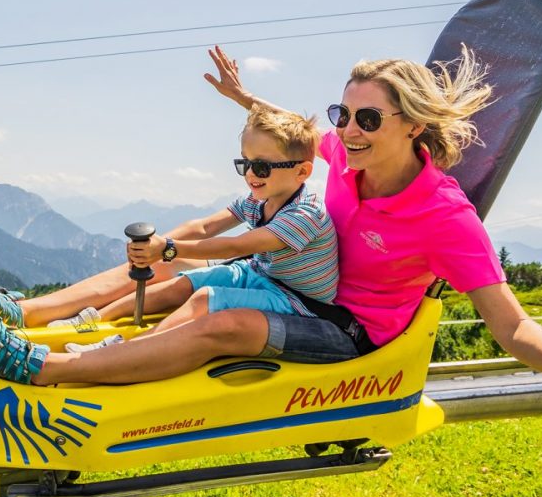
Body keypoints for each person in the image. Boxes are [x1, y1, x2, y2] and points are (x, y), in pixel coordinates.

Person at [0, 45, 542, 386]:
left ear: (413, 125)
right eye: (342, 113)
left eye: (367, 118)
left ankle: (47, 370)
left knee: (226, 320)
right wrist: (244, 100)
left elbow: (509, 325)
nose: (348, 129)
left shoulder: (447, 218)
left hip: (349, 330)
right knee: (176, 267)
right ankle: (22, 308)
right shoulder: (344, 156)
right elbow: (291, 133)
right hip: (294, 286)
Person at [59, 105, 344, 354]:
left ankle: (128, 349)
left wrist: (168, 249)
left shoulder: (306, 213)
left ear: (302, 172)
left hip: (296, 300)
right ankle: (93, 320)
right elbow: (205, 226)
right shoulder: (260, 199)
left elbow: (237, 246)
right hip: (261, 274)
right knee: (185, 282)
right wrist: (155, 245)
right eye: (244, 163)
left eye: (261, 167)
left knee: (205, 298)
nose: (250, 174)